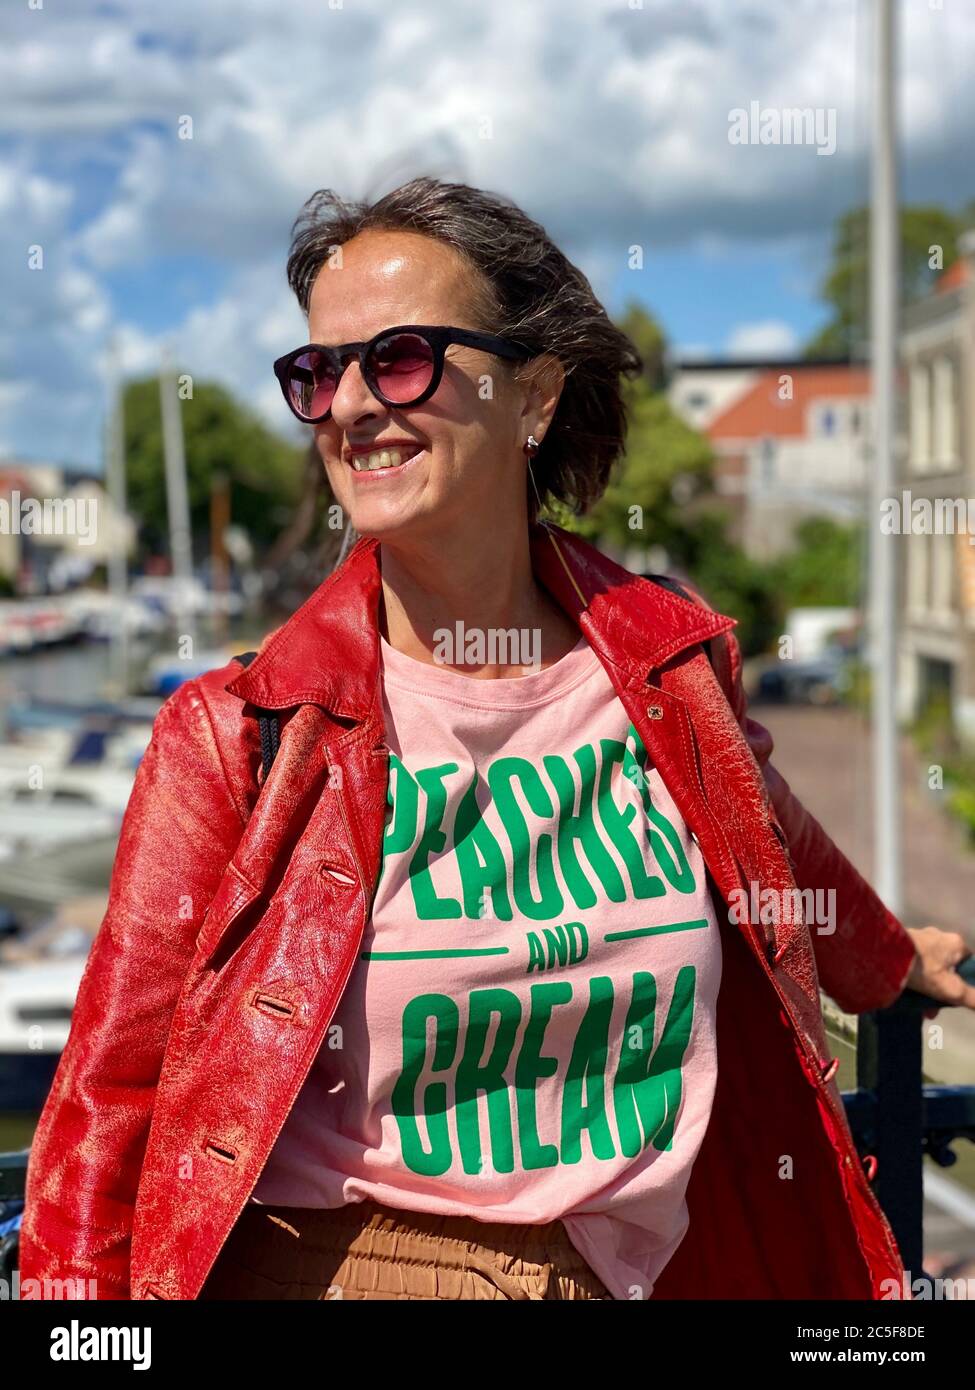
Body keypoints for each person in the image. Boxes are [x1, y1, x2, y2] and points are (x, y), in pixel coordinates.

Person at [20, 176, 974, 1303]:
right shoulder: (240, 734)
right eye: (320, 371)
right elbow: (108, 1100)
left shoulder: (666, 672)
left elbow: (768, 837)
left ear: (534, 395)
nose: (351, 405)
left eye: (402, 358)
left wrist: (889, 959)